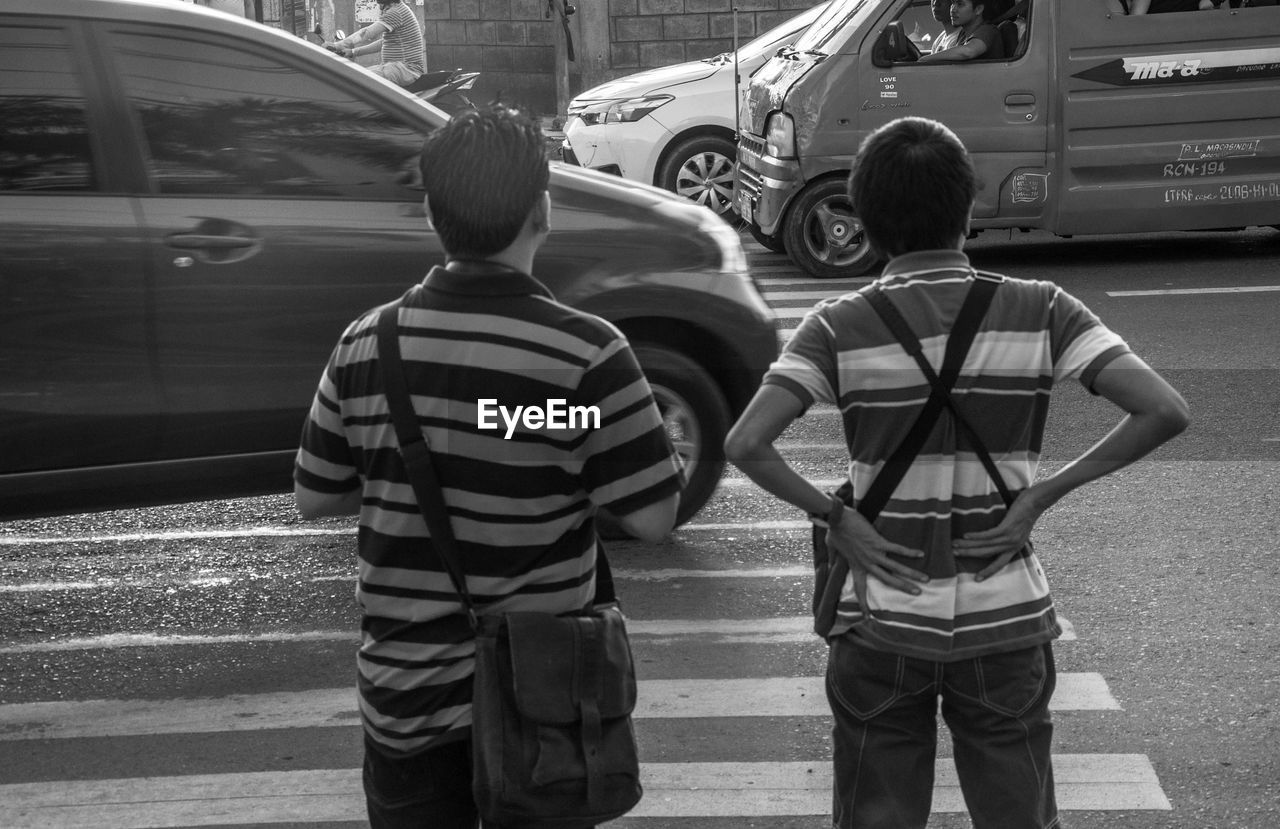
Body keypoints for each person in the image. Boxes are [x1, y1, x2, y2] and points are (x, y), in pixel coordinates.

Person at [723, 116, 1189, 829]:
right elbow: (1162, 409)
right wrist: (1039, 496)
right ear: (968, 211)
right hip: (1004, 619)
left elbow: (746, 442)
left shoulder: (837, 324)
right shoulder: (1042, 308)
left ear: (867, 225)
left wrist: (837, 517)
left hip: (882, 618)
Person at [294, 106, 684, 828]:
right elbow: (653, 515)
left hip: (406, 703)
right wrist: (543, 428)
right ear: (543, 209)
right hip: (546, 703)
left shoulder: (363, 345)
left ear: (431, 213)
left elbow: (316, 495)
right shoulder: (589, 355)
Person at [328, 0, 425, 87]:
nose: (380, 8)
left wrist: (339, 45)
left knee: (358, 81)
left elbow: (366, 33)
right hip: (396, 68)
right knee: (358, 74)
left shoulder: (396, 12)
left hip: (405, 69)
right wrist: (353, 52)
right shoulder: (397, 9)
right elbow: (384, 43)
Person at [917, 0, 1007, 62]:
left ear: (978, 9)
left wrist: (924, 60)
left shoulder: (988, 30)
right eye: (953, 3)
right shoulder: (963, 35)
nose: (953, 9)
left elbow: (967, 52)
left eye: (960, 4)